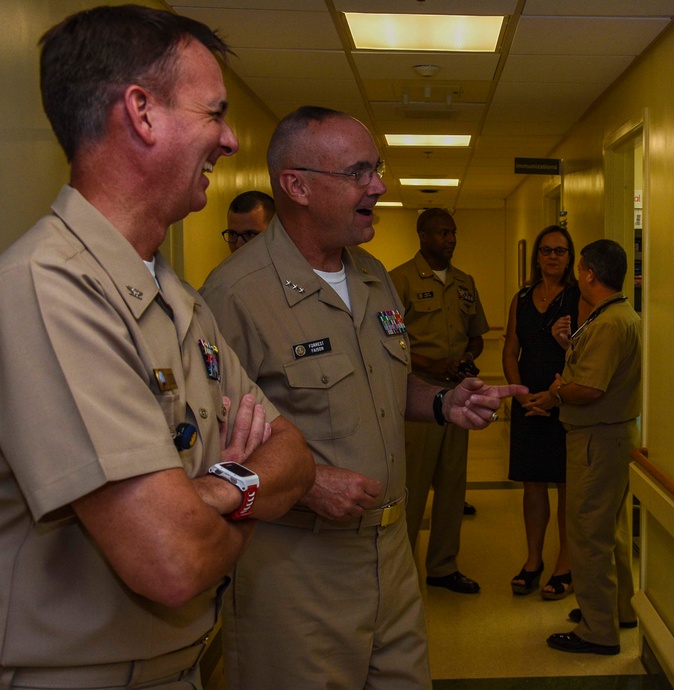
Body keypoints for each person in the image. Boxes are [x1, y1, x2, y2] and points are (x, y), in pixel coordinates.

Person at [0, 6, 315, 687]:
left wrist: (222, 490)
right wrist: (243, 498)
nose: (231, 141)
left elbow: (294, 455)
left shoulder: (175, 298)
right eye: (214, 113)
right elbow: (172, 561)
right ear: (141, 112)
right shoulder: (48, 290)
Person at [201, 106, 523, 689]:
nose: (377, 186)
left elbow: (382, 384)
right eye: (357, 172)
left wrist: (444, 403)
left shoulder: (372, 275)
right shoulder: (234, 296)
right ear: (295, 185)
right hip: (296, 569)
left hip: (394, 557)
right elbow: (201, 452)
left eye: (375, 169)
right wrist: (305, 482)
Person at [526, 239, 641, 655]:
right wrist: (567, 348)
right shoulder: (617, 315)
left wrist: (559, 389)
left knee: (589, 535)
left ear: (590, 273)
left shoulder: (610, 322)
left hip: (596, 439)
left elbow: (589, 388)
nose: (576, 274)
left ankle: (597, 630)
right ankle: (617, 609)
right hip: (613, 436)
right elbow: (596, 368)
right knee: (611, 530)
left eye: (579, 269)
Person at [390, 209, 490, 594]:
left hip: (458, 397)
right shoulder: (399, 281)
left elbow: (476, 334)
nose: (449, 239)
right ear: (422, 236)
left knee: (452, 486)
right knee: (412, 487)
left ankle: (443, 566)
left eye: (453, 232)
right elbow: (389, 344)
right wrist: (435, 363)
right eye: (442, 233)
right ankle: (402, 571)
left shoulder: (465, 283)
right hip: (418, 396)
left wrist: (467, 358)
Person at [502, 225, 580, 599]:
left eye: (560, 251)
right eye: (546, 250)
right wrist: (521, 396)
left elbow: (584, 357)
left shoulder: (579, 298)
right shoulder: (522, 297)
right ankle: (533, 561)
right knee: (532, 485)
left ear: (570, 258)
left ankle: (565, 564)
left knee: (566, 486)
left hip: (562, 401)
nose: (552, 256)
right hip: (527, 401)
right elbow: (510, 348)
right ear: (537, 256)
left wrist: (552, 396)